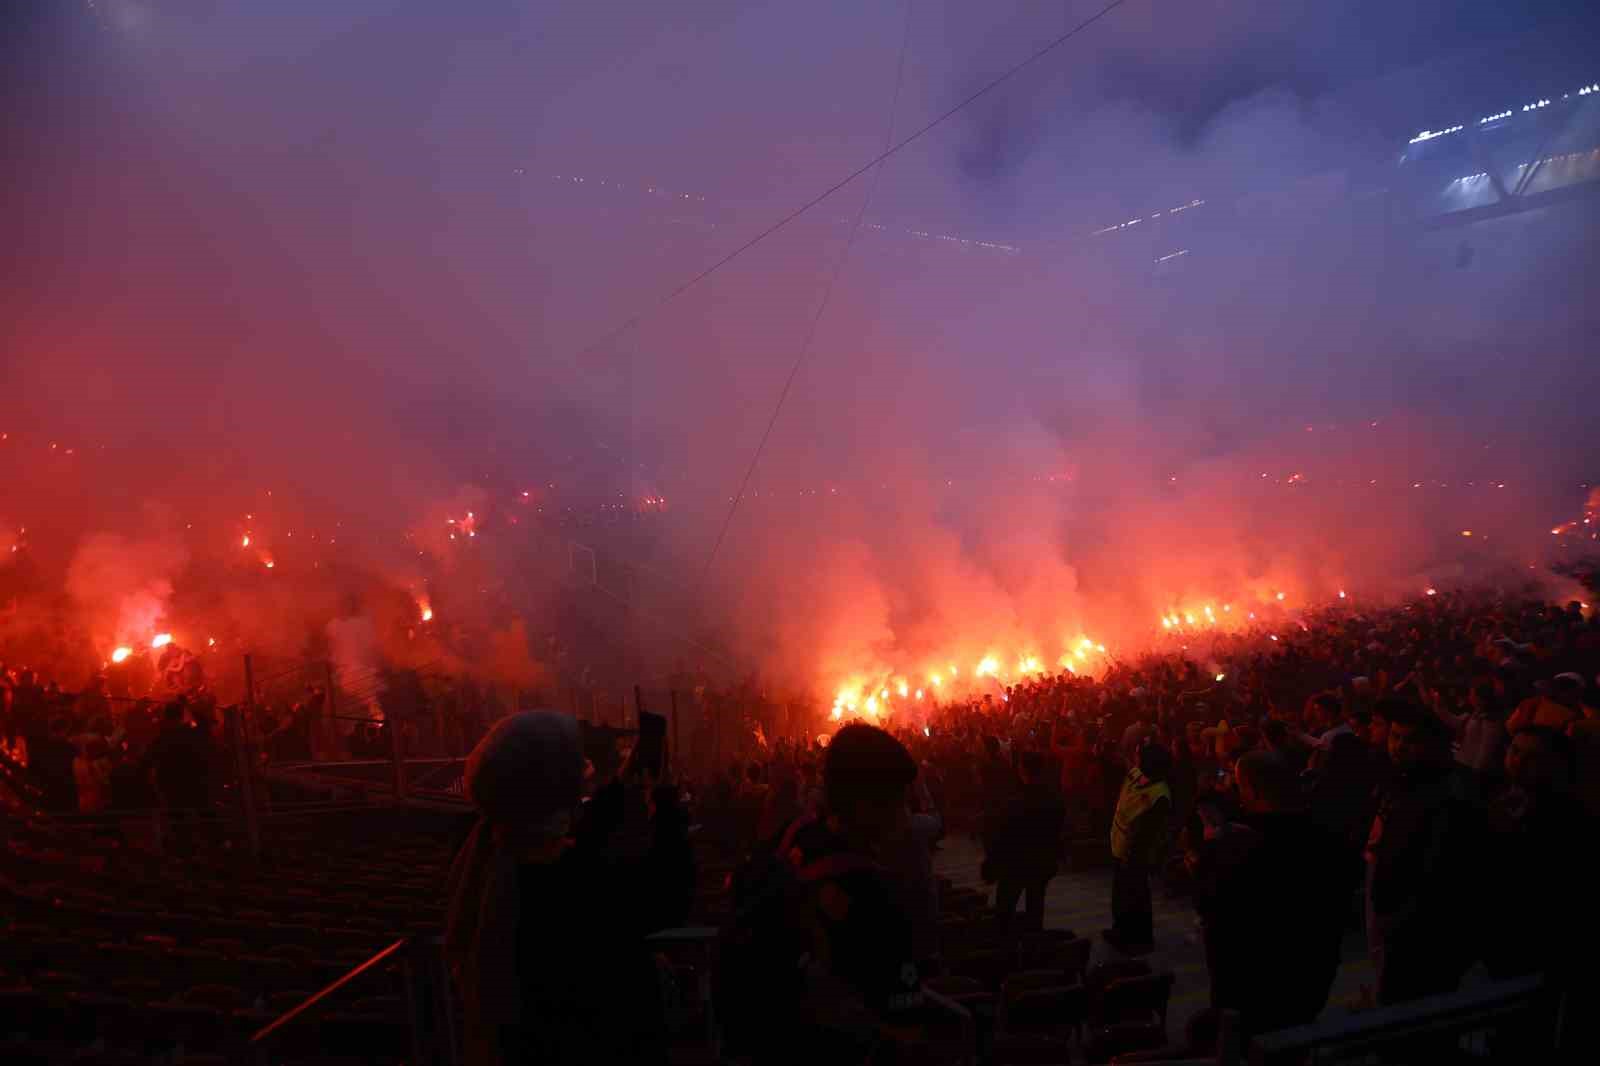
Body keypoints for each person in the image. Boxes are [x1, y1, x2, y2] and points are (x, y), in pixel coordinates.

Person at [445, 710, 692, 1066]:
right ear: (560, 796)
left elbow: (575, 833)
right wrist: (666, 802)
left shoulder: (490, 854)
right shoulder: (575, 885)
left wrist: (619, 789)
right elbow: (670, 896)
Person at [1186, 752, 1355, 1041]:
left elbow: (1210, 905)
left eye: (1238, 785)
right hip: (1311, 977)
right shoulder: (1327, 836)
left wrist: (1202, 862)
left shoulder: (1235, 842)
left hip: (1248, 986)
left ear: (1251, 789)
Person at [1364, 704, 1484, 1005]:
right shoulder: (1402, 778)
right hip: (1393, 907)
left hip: (1423, 927)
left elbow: (1439, 865)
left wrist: (1400, 916)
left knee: (1413, 1001)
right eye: (1395, 737)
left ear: (1435, 744)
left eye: (1409, 740)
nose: (1398, 746)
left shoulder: (1451, 791)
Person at [984, 749, 1066, 942]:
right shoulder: (1054, 798)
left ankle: (1005, 946)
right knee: (1036, 904)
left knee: (1005, 907)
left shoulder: (1016, 802)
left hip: (1016, 864)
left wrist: (992, 861)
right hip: (1043, 861)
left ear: (1022, 770)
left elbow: (1002, 835)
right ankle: (1034, 943)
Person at [1105, 741, 1173, 955]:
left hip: (1135, 855)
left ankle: (1138, 939)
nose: (1135, 759)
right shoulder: (1138, 775)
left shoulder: (1159, 795)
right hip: (1120, 847)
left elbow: (1147, 833)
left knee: (1135, 898)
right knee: (1120, 895)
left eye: (1139, 756)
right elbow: (1126, 764)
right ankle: (1119, 931)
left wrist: (1131, 857)